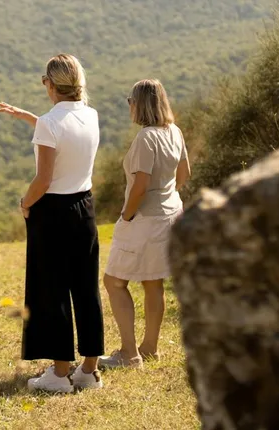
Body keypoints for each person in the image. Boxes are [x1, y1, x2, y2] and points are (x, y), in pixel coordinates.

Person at [0, 54, 104, 393]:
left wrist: (25, 204)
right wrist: (29, 117)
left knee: (52, 289)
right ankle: (89, 371)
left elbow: (43, 179)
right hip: (84, 207)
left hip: (52, 211)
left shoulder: (49, 124)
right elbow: (63, 131)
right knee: (86, 288)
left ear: (51, 84)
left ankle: (58, 374)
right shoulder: (91, 115)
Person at [100, 79, 191, 369]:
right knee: (153, 283)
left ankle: (129, 353)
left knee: (114, 281)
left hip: (144, 219)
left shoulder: (145, 138)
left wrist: (127, 215)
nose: (129, 105)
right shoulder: (174, 132)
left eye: (130, 100)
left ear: (140, 104)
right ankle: (149, 347)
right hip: (170, 214)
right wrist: (168, 195)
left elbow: (140, 184)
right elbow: (185, 172)